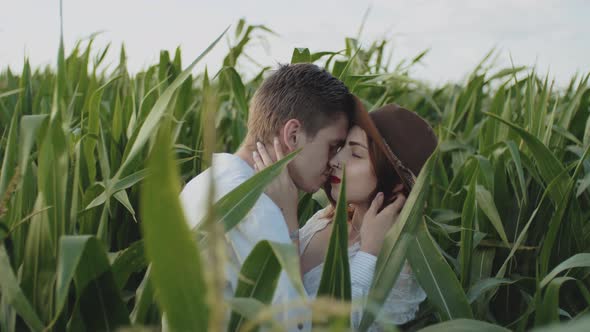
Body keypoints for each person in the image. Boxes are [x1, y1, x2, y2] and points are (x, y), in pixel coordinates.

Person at [177, 63, 356, 331]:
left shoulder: (203, 182)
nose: (335, 161)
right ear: (293, 135)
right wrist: (289, 225)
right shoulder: (259, 210)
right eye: (333, 146)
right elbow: (296, 325)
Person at [253, 100, 438, 330]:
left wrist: (368, 254)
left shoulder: (401, 267)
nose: (335, 161)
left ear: (397, 184)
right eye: (340, 148)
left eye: (356, 154)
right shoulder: (326, 218)